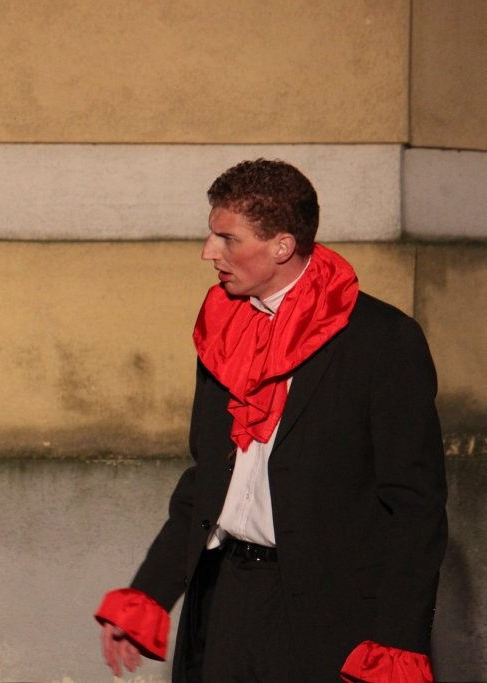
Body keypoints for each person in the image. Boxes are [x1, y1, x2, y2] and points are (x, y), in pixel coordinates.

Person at [95, 159, 447, 682]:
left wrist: (396, 642)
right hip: (222, 600)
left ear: (281, 246)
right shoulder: (223, 327)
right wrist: (149, 592)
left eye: (227, 238)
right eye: (212, 234)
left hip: (327, 618)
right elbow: (206, 478)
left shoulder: (382, 340)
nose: (209, 251)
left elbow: (415, 507)